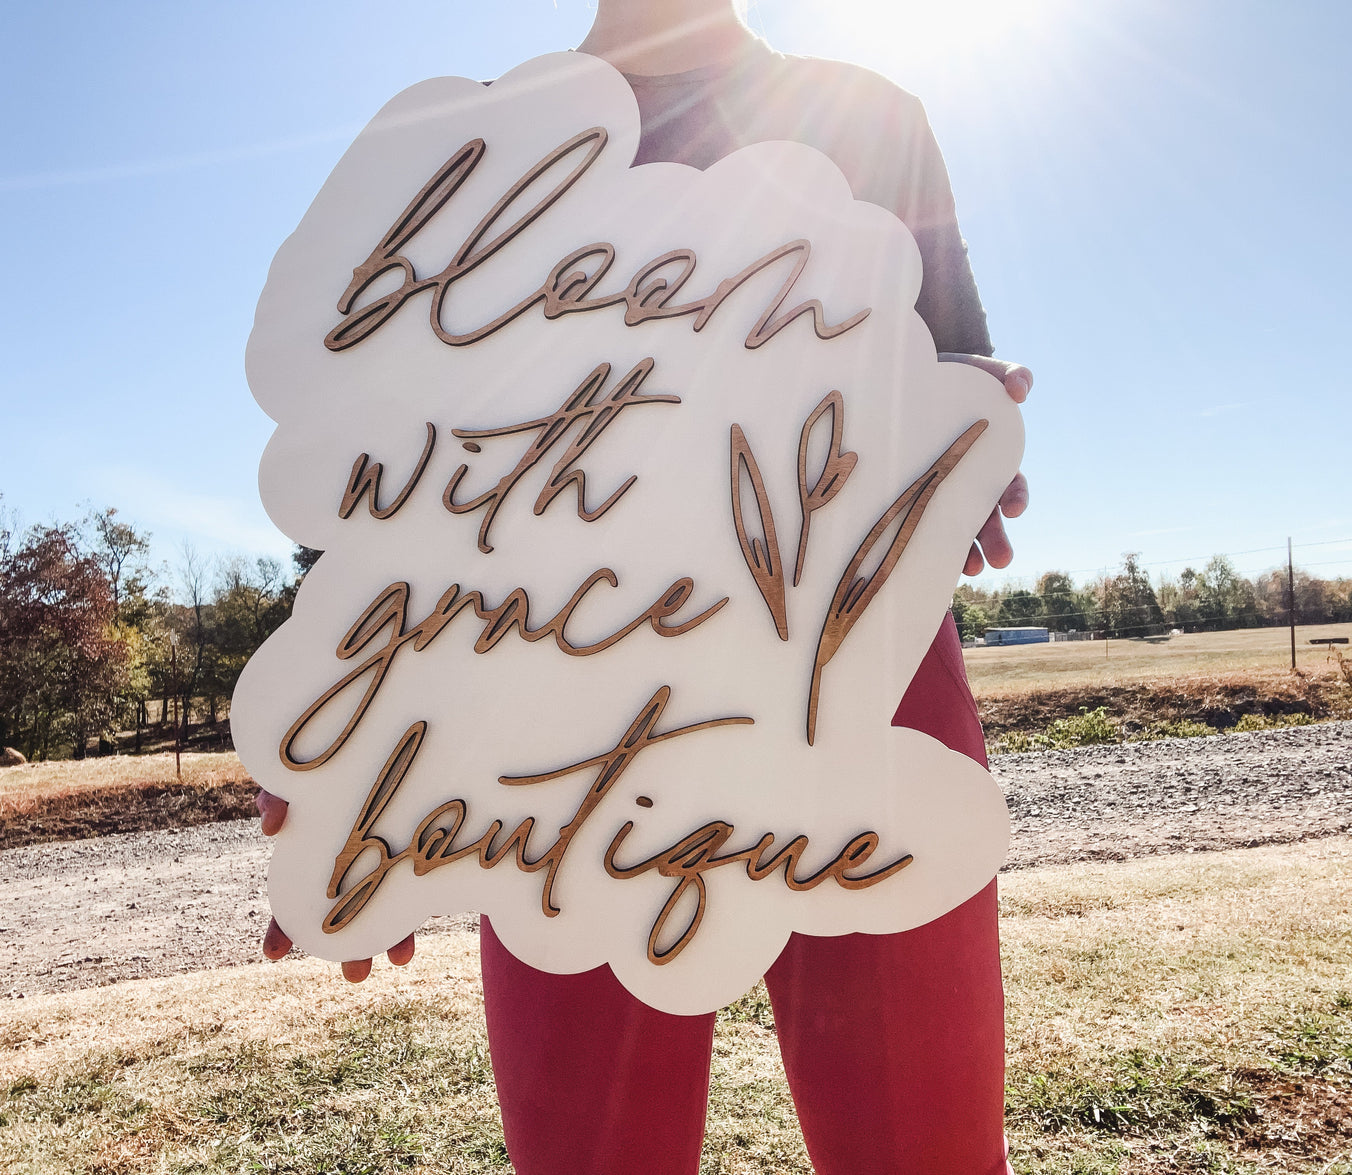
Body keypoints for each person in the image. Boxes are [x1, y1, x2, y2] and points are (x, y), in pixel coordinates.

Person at [259, 3, 1032, 1171]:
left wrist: (968, 447)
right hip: (554, 741)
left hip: (860, 697)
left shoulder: (872, 119)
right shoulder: (478, 150)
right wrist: (343, 756)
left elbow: (946, 389)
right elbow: (390, 477)